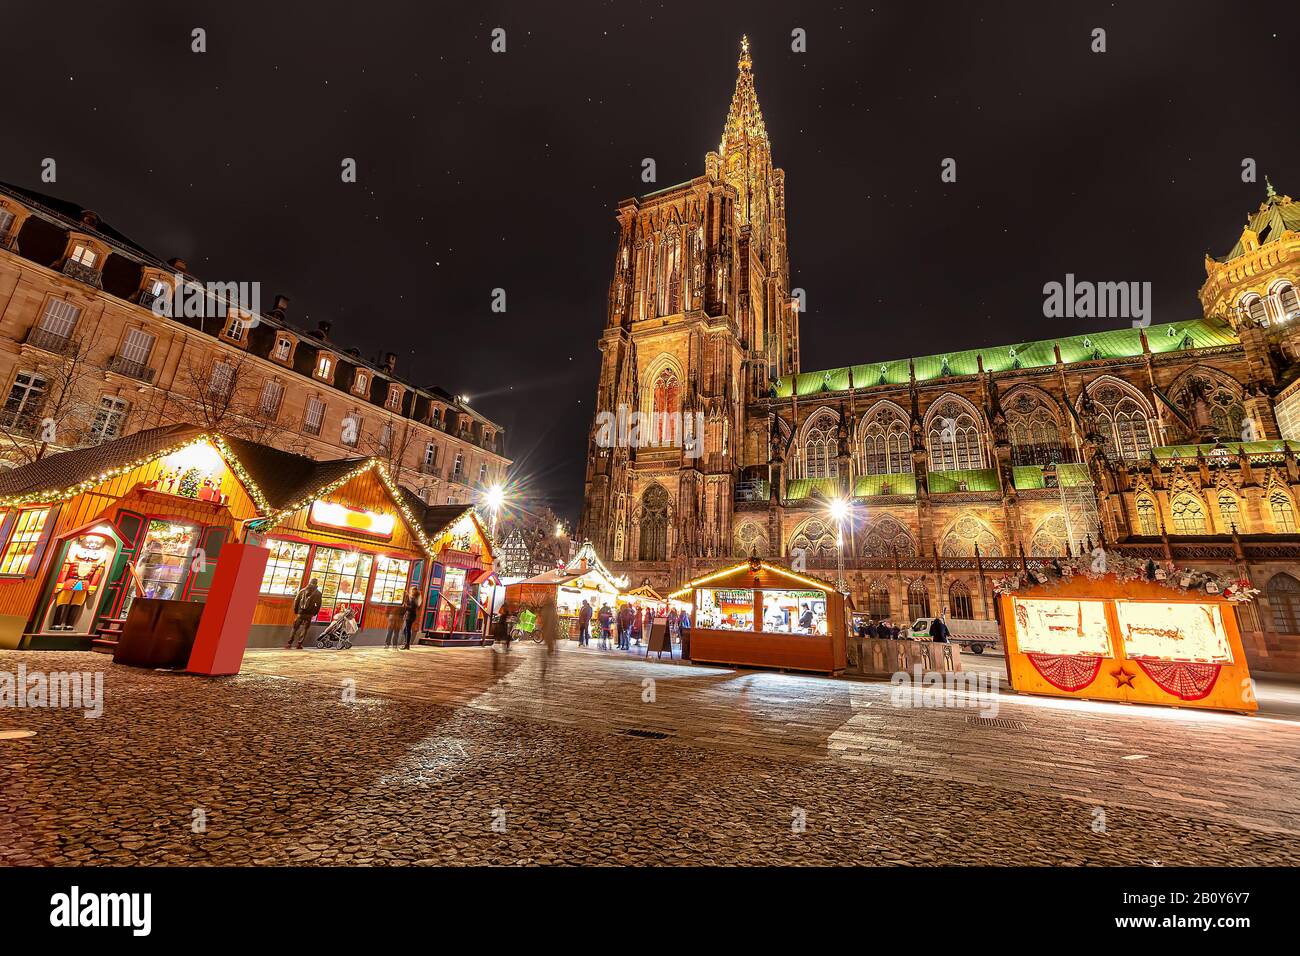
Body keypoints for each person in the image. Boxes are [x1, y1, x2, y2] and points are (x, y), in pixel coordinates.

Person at [285, 578, 322, 649]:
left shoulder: (302, 591)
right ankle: (299, 644)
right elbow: (318, 605)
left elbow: (296, 601)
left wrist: (296, 611)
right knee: (305, 629)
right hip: (309, 614)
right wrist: (315, 613)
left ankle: (289, 644)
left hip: (300, 613)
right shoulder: (318, 593)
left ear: (309, 582)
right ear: (316, 584)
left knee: (295, 628)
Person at [401, 584, 422, 649]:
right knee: (406, 630)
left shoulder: (414, 599)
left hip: (410, 616)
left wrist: (405, 605)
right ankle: (406, 643)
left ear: (413, 591)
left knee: (408, 630)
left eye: (411, 590)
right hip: (411, 615)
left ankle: (407, 645)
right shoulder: (414, 598)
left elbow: (411, 608)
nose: (410, 591)